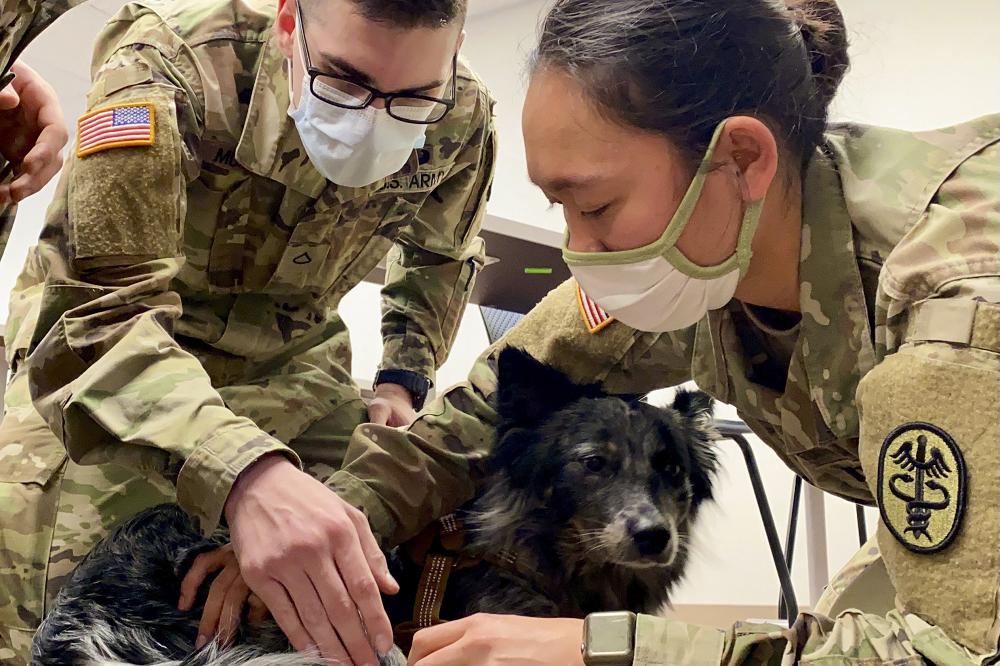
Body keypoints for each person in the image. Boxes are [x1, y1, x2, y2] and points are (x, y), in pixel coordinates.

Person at [238, 0, 992, 663]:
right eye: (559, 210)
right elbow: (470, 417)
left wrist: (602, 650)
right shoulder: (711, 245)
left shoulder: (953, 309)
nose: (578, 252)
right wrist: (324, 529)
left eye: (594, 208)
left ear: (738, 158)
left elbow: (952, 652)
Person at [0, 0, 496, 662]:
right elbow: (96, 315)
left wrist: (403, 380)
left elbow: (441, 256)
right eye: (343, 82)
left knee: (357, 586)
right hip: (121, 357)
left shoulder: (462, 115)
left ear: (455, 47)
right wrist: (245, 475)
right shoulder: (172, 62)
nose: (373, 119)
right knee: (48, 601)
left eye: (411, 98)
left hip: (296, 365)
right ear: (290, 24)